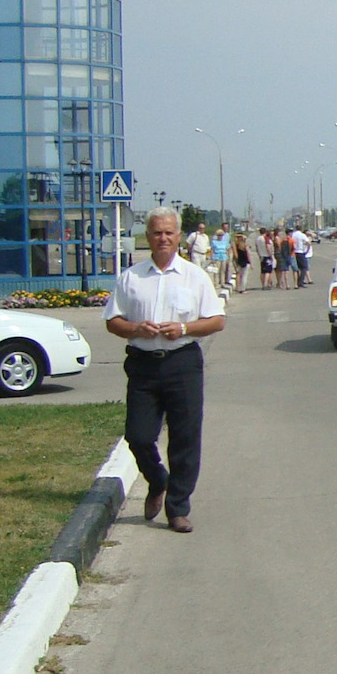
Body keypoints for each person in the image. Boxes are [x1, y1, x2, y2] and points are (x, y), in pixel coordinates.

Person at [104, 207, 226, 533]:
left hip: (182, 363)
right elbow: (112, 321)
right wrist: (134, 328)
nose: (163, 239)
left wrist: (184, 328)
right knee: (138, 435)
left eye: (169, 233)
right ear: (148, 237)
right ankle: (158, 480)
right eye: (157, 233)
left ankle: (178, 509)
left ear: (178, 236)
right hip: (144, 365)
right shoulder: (132, 277)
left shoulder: (194, 276)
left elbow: (216, 320)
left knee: (185, 438)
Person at [288, 223, 311, 288]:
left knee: (297, 268)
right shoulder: (302, 235)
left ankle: (297, 281)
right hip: (300, 252)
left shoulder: (293, 235)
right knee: (304, 267)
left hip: (294, 252)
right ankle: (300, 281)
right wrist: (306, 250)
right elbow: (308, 243)